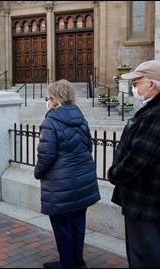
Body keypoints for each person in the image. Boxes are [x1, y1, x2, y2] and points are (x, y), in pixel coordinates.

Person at [108, 60, 160, 268]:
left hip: (150, 205)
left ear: (151, 84)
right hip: (155, 202)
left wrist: (115, 173)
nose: (134, 88)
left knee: (146, 259)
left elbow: (137, 159)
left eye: (137, 83)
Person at [34, 79, 100, 268]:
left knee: (62, 228)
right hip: (82, 181)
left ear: (54, 99)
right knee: (78, 224)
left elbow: (46, 155)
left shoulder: (51, 121)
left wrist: (38, 172)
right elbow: (88, 145)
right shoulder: (80, 117)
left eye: (48, 97)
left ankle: (67, 264)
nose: (47, 101)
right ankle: (77, 261)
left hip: (60, 185)